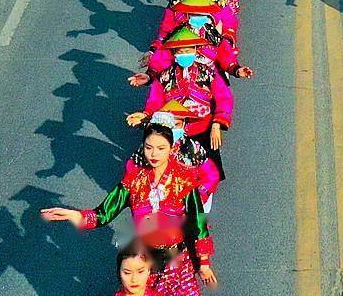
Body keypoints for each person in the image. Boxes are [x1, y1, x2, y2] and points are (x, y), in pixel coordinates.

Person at [41, 122, 217, 292]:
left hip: (178, 264)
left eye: (161, 148)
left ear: (171, 149)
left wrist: (204, 264)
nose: (154, 154)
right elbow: (103, 214)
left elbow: (198, 223)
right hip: (145, 266)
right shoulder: (133, 182)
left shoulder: (184, 181)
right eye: (149, 147)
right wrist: (73, 215)